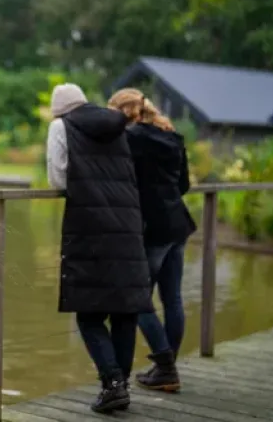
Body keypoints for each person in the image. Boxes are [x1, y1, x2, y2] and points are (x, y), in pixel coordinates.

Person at [46, 83, 152, 413]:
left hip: (90, 225)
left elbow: (57, 179)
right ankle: (120, 386)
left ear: (59, 110)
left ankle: (113, 383)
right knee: (124, 311)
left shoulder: (60, 126)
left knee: (89, 313)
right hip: (128, 224)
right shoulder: (117, 124)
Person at [108, 88, 196, 392]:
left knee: (137, 299)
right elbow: (184, 184)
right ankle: (166, 369)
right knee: (173, 299)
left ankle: (166, 367)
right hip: (178, 224)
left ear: (122, 112)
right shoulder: (173, 136)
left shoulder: (129, 138)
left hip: (151, 228)